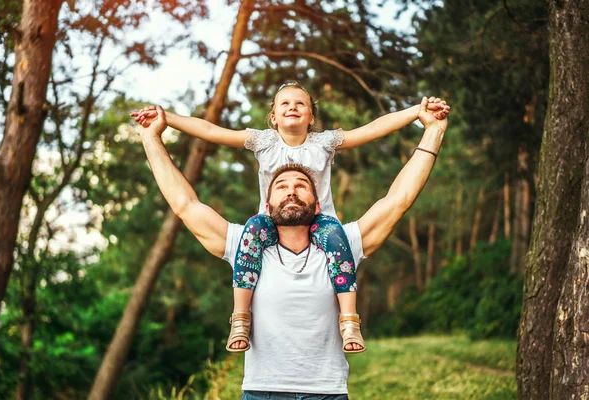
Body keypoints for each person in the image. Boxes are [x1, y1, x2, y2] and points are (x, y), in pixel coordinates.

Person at [137, 100, 447, 398]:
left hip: (327, 394)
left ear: (318, 202)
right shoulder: (247, 246)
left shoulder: (341, 246)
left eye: (301, 184)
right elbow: (184, 203)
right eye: (282, 186)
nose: (291, 191)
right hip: (262, 393)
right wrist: (151, 138)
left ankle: (351, 322)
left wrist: (433, 130)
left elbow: (398, 199)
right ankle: (238, 319)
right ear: (267, 204)